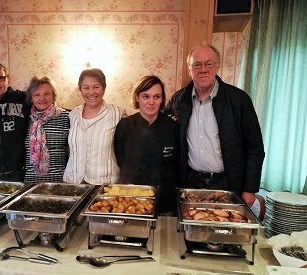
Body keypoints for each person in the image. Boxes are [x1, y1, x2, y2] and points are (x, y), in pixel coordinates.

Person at [164, 42, 265, 206]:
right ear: (190, 69)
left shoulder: (239, 100)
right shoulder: (177, 100)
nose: (203, 69)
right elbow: (167, 135)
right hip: (190, 183)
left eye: (208, 64)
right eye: (197, 65)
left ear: (217, 66)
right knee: (191, 230)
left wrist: (249, 189)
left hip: (227, 184)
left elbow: (255, 147)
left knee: (223, 229)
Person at [114, 75, 179, 214]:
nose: (151, 102)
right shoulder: (125, 125)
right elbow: (120, 158)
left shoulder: (172, 126)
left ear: (162, 99)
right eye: (146, 96)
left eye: (156, 97)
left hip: (165, 199)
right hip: (132, 199)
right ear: (137, 97)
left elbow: (177, 162)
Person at [63, 68, 126, 185]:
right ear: (80, 89)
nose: (91, 92)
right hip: (72, 182)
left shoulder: (117, 113)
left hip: (104, 184)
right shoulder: (73, 115)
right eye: (86, 87)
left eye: (96, 87)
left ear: (104, 88)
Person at [24, 76, 70, 183]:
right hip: (29, 182)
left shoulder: (66, 117)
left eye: (46, 94)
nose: (42, 98)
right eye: (37, 95)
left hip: (59, 181)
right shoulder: (24, 119)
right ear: (31, 98)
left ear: (53, 96)